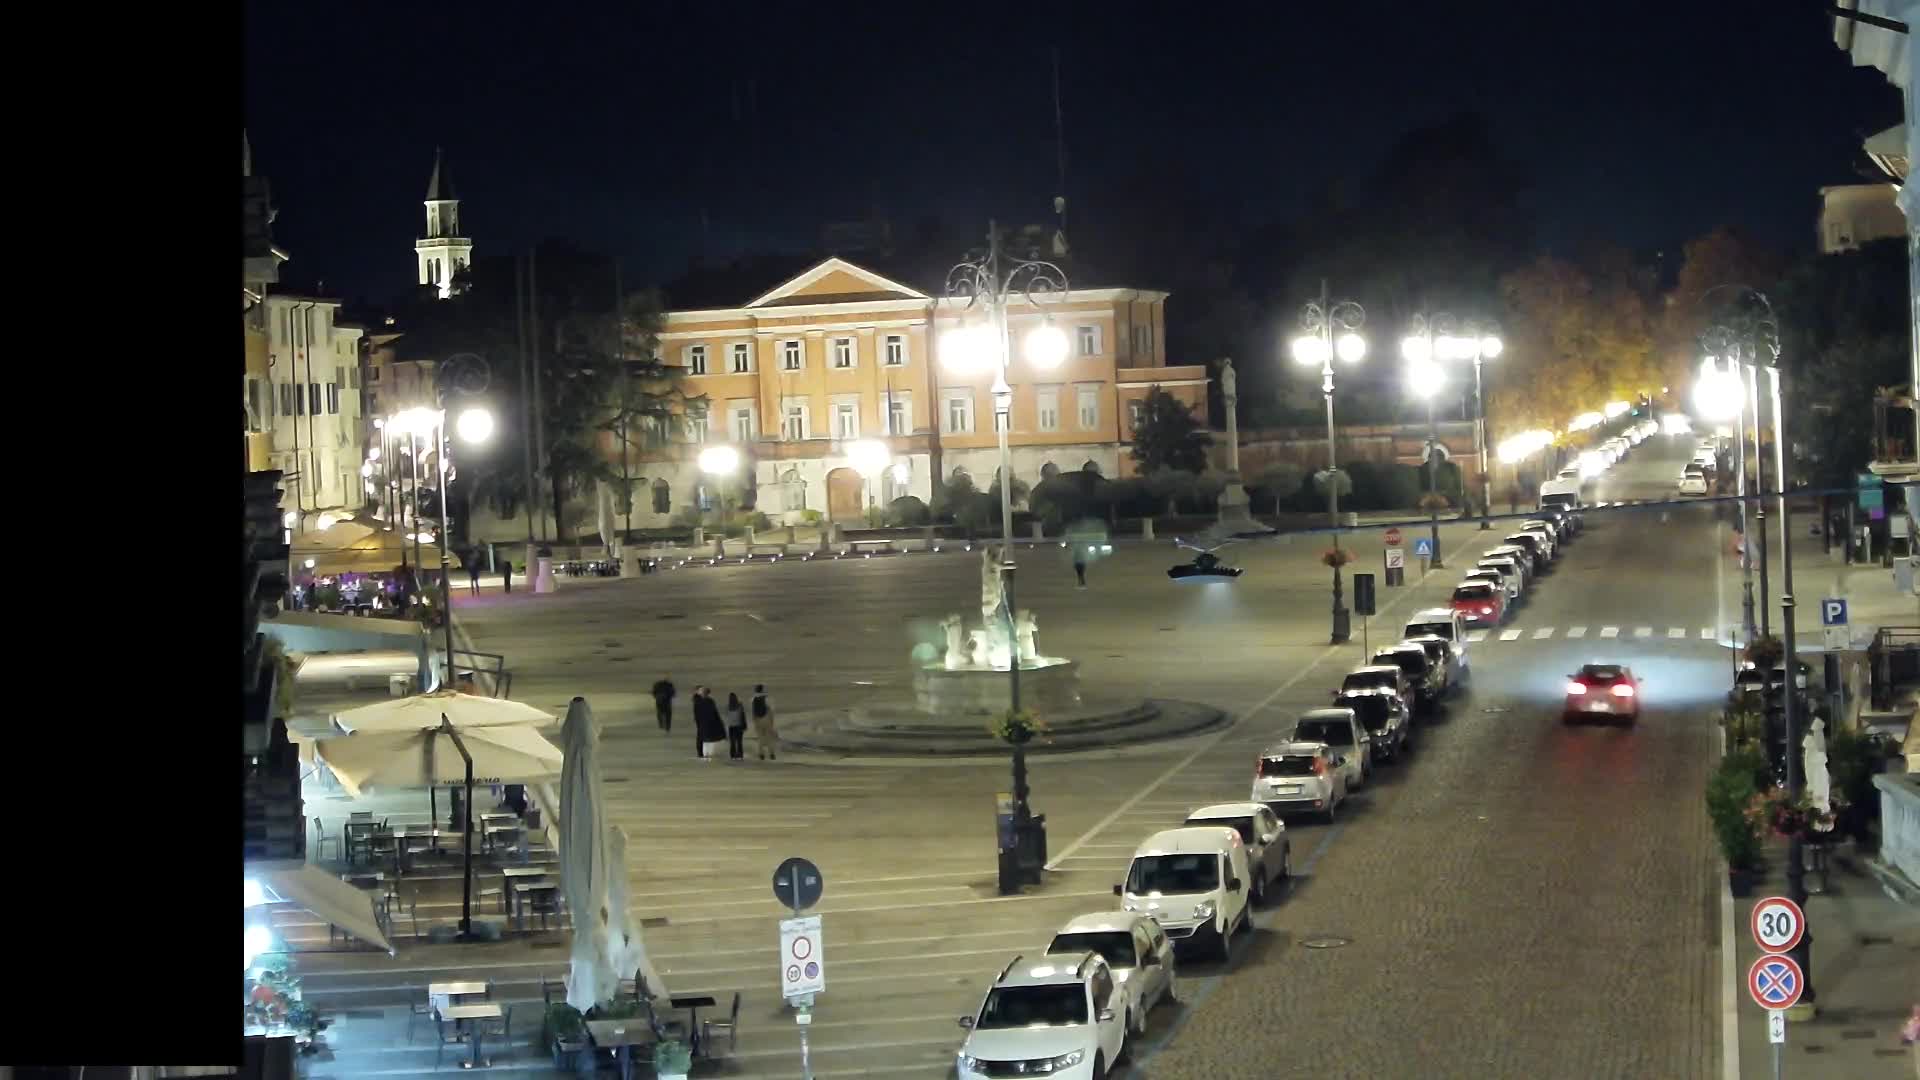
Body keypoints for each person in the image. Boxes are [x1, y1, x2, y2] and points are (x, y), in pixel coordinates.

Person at [694, 687, 727, 762]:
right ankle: (704, 753)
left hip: (702, 722)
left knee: (701, 738)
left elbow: (696, 713)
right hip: (708, 722)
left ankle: (701, 754)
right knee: (705, 738)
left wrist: (698, 722)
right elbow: (714, 712)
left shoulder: (698, 701)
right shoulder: (710, 701)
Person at [751, 684, 777, 761]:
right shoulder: (767, 698)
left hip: (757, 720)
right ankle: (771, 753)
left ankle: (761, 754)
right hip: (767, 719)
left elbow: (753, 712)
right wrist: (772, 721)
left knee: (760, 738)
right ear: (762, 689)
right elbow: (772, 710)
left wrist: (754, 721)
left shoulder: (753, 699)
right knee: (769, 737)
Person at [725, 692, 748, 761]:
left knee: (732, 742)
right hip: (739, 726)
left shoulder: (728, 706)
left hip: (731, 726)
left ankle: (732, 755)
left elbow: (727, 716)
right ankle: (740, 755)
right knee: (739, 742)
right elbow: (743, 715)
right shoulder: (740, 705)